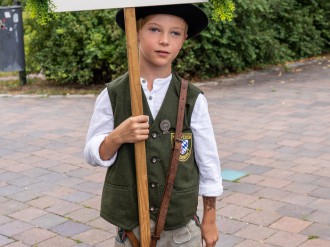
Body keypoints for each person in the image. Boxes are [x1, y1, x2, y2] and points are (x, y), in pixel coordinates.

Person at [84, 4, 223, 247]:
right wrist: (117, 137)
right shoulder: (113, 94)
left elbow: (208, 161)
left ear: (184, 39)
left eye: (175, 33)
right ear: (135, 31)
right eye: (155, 29)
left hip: (181, 228)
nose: (164, 41)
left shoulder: (192, 98)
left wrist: (210, 218)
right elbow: (93, 154)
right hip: (131, 230)